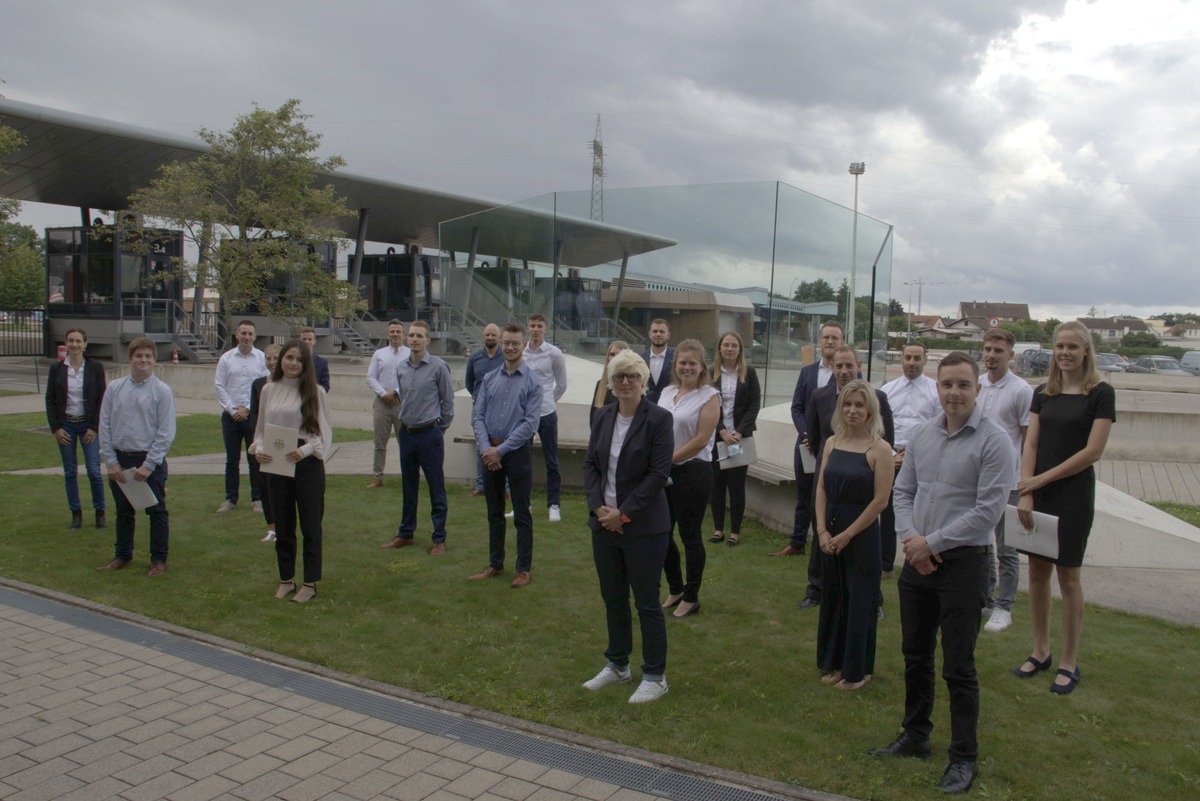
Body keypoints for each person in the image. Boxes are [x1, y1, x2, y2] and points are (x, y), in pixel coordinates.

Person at [869, 352, 1013, 795]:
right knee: (915, 655)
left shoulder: (995, 441)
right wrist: (915, 542)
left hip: (964, 566)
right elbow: (903, 491)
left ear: (977, 389)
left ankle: (964, 757)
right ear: (938, 387)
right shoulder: (925, 436)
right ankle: (916, 736)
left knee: (959, 666)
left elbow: (987, 512)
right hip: (918, 562)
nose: (954, 393)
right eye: (947, 385)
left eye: (962, 385)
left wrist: (930, 544)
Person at [1014, 320, 1115, 694]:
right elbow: (1031, 446)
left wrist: (1040, 480)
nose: (1065, 353)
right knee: (1037, 573)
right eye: (1059, 346)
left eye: (1072, 346)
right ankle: (1040, 650)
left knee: (1068, 577)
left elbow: (1092, 452)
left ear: (1086, 350)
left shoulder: (1101, 393)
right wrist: (1027, 490)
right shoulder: (1043, 392)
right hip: (1037, 495)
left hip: (1073, 496)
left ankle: (1069, 661)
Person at [582, 349, 675, 704]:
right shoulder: (603, 416)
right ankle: (618, 664)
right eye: (619, 376)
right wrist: (600, 509)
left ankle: (655, 675)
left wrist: (623, 514)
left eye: (631, 376)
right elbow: (591, 466)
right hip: (604, 524)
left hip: (645, 528)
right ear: (611, 381)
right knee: (613, 599)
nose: (625, 382)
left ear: (643, 381)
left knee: (647, 602)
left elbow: (657, 475)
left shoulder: (659, 419)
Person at [813, 380, 893, 690]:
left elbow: (880, 501)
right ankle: (835, 663)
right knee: (835, 599)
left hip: (860, 533)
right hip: (829, 531)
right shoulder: (832, 442)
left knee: (860, 602)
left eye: (859, 405)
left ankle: (858, 671)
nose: (852, 410)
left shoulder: (880, 449)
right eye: (847, 404)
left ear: (870, 409)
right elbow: (821, 488)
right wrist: (821, 530)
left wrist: (846, 534)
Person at [802, 346, 894, 610]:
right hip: (829, 475)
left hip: (862, 480)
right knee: (822, 532)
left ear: (858, 366)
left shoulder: (877, 398)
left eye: (848, 366)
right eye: (838, 365)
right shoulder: (819, 396)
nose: (843, 371)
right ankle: (816, 589)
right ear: (832, 367)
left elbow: (887, 437)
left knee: (861, 552)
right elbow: (815, 436)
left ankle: (872, 600)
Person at [252, 340, 333, 604]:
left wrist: (305, 451)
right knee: (283, 525)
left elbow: (324, 434)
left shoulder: (316, 392)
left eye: (299, 360)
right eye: (289, 358)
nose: (293, 363)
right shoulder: (268, 389)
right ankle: (286, 579)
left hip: (306, 463)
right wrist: (259, 449)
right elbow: (261, 431)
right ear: (281, 359)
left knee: (311, 525)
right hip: (277, 462)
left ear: (306, 364)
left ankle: (310, 583)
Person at [470, 323, 543, 588]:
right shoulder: (490, 379)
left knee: (522, 512)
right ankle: (495, 564)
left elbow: (529, 424)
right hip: (489, 451)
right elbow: (477, 416)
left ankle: (523, 569)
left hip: (516, 453)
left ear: (524, 345)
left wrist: (500, 451)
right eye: (506, 343)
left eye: (515, 343)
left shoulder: (533, 382)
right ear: (501, 344)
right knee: (494, 512)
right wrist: (486, 449)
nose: (510, 347)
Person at [97, 338, 176, 576]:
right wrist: (111, 461)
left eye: (148, 356)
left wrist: (150, 464)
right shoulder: (114, 388)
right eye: (139, 356)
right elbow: (105, 425)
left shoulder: (162, 391)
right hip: (120, 460)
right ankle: (122, 555)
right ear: (130, 358)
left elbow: (166, 431)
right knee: (123, 511)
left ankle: (158, 561)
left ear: (154, 360)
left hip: (148, 461)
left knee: (157, 512)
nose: (143, 360)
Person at [380, 321, 455, 554]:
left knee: (436, 487)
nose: (413, 339)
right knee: (409, 486)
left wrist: (439, 430)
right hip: (407, 434)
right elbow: (403, 396)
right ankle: (405, 533)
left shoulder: (439, 367)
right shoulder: (401, 368)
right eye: (411, 335)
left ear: (427, 340)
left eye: (419, 336)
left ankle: (439, 538)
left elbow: (448, 403)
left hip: (429, 435)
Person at [658, 339, 720, 619]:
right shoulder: (667, 392)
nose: (687, 368)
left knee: (690, 536)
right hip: (663, 471)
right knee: (660, 533)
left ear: (702, 366)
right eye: (682, 362)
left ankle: (692, 596)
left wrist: (667, 460)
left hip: (693, 471)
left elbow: (701, 440)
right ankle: (676, 588)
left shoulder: (709, 396)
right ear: (676, 365)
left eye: (692, 363)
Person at [977, 329, 1033, 634]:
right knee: (981, 545)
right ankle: (984, 599)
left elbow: (1028, 442)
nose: (991, 355)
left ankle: (1004, 606)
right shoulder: (978, 386)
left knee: (1007, 550)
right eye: (987, 349)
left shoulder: (1022, 391)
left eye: (998, 350)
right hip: (979, 481)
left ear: (1010, 355)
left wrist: (1026, 485)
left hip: (1009, 484)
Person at [772, 320, 844, 557]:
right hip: (805, 445)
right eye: (826, 338)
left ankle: (827, 542)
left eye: (835, 338)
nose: (830, 342)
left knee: (829, 495)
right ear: (819, 341)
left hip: (833, 446)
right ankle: (797, 542)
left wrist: (821, 440)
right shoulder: (807, 372)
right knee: (803, 495)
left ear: (841, 342)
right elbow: (796, 407)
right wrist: (807, 435)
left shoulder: (849, 373)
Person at [880, 342, 940, 577]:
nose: (911, 363)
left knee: (922, 513)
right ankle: (885, 565)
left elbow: (937, 429)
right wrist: (892, 455)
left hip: (922, 460)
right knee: (887, 512)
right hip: (891, 457)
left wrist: (913, 456)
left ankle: (919, 560)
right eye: (907, 358)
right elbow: (879, 427)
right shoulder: (888, 390)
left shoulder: (935, 392)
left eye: (917, 358)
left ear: (925, 361)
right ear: (901, 359)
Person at [45, 327, 107, 529]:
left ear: (85, 344)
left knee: (94, 471)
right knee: (70, 472)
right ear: (66, 343)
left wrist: (94, 426)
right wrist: (56, 428)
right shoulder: (56, 369)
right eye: (71, 341)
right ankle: (76, 514)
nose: (74, 345)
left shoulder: (95, 367)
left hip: (87, 426)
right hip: (66, 426)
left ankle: (100, 513)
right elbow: (50, 400)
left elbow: (101, 399)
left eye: (78, 341)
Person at [708, 331, 760, 546]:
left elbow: (754, 404)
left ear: (740, 349)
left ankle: (735, 533)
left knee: (736, 487)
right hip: (717, 438)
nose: (730, 349)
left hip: (740, 440)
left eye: (734, 345)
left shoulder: (749, 373)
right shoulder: (711, 374)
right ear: (720, 348)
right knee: (717, 486)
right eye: (726, 345)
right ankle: (718, 529)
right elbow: (707, 405)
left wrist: (738, 432)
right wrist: (721, 431)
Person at [214, 320, 268, 513]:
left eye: (250, 334)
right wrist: (231, 409)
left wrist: (246, 409)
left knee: (254, 458)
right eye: (243, 333)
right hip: (230, 417)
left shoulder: (262, 358)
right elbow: (220, 386)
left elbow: (263, 386)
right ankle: (231, 498)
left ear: (254, 336)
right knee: (231, 460)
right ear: (236, 335)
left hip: (252, 416)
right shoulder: (226, 358)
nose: (246, 337)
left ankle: (257, 499)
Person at [524, 314, 567, 522]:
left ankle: (554, 505)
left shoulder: (554, 354)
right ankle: (524, 504)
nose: (535, 329)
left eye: (539, 326)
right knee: (523, 460)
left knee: (552, 461)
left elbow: (561, 385)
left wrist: (548, 400)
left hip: (547, 414)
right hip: (523, 416)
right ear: (527, 328)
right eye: (532, 326)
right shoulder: (520, 352)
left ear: (546, 329)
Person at [365, 319, 410, 489]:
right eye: (392, 332)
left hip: (401, 403)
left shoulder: (409, 354)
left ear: (403, 334)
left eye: (398, 331)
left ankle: (407, 475)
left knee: (404, 441)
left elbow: (411, 378)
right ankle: (378, 477)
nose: (395, 335)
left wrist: (396, 392)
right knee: (379, 442)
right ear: (387, 334)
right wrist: (384, 394)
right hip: (382, 404)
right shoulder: (379, 354)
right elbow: (370, 377)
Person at [465, 323, 504, 496]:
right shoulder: (475, 358)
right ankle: (481, 486)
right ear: (483, 336)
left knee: (503, 446)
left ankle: (506, 488)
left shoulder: (505, 357)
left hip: (500, 409)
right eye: (487, 335)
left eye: (493, 335)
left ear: (499, 338)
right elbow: (469, 382)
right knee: (482, 445)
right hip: (479, 409)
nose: (490, 338)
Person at [249, 344, 281, 543]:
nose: (271, 362)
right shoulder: (258, 384)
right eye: (268, 358)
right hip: (263, 440)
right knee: (265, 486)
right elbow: (255, 414)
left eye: (275, 358)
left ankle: (286, 526)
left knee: (282, 487)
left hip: (283, 441)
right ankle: (272, 528)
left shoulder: (290, 384)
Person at [591, 340, 630, 427]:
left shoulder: (631, 385)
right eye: (612, 354)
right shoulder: (600, 384)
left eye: (619, 354)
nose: (615, 357)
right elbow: (593, 419)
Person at [638, 319, 675, 405]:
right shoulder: (639, 358)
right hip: (645, 407)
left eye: (662, 332)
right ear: (649, 334)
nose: (658, 334)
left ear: (668, 335)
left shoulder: (676, 358)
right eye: (655, 331)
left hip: (669, 407)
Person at [298, 326, 331, 392]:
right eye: (304, 339)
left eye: (310, 339)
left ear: (314, 342)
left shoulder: (322, 363)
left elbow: (326, 386)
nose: (307, 342)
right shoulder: (293, 361)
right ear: (299, 341)